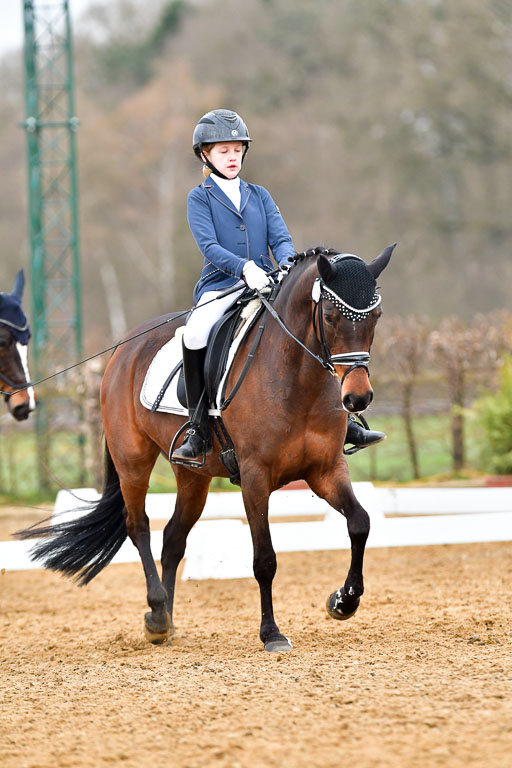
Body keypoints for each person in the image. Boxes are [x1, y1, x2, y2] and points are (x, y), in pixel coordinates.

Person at [171, 108, 384, 464]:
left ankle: (345, 421)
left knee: (314, 330)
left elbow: (282, 238)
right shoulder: (200, 198)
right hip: (222, 285)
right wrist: (243, 269)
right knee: (194, 334)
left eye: (237, 149)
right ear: (205, 154)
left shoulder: (260, 195)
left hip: (269, 283)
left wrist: (285, 265)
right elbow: (209, 247)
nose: (232, 156)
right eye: (224, 151)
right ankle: (197, 428)